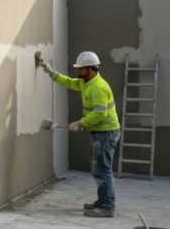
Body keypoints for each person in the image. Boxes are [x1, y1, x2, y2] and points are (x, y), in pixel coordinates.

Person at [37, 50, 121, 217]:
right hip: (101, 132)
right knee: (99, 169)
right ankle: (104, 200)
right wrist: (49, 71)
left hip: (106, 133)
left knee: (102, 169)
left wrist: (80, 124)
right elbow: (68, 82)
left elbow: (99, 114)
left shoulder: (97, 87)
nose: (78, 72)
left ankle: (107, 207)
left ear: (90, 69)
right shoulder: (87, 82)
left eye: (81, 69)